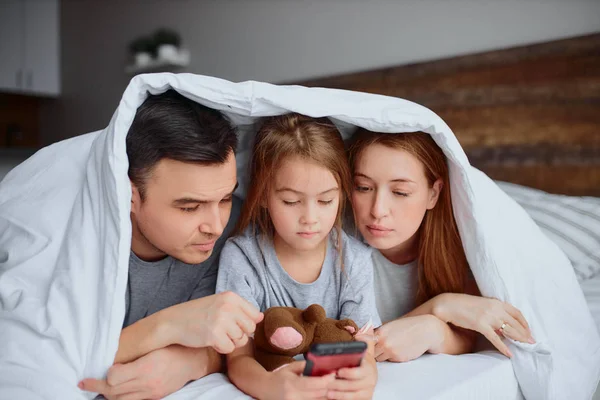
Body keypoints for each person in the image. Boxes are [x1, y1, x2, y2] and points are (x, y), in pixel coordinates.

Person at [79, 90, 263, 400]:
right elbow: (46, 356)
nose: (215, 227)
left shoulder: (237, 230)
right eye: (190, 207)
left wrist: (190, 362)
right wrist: (166, 326)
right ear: (130, 196)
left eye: (225, 198)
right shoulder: (81, 244)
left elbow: (237, 341)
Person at [216, 113, 380, 400]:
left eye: (326, 200)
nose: (310, 218)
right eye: (291, 201)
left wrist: (367, 373)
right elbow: (238, 358)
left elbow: (364, 341)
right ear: (264, 195)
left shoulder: (355, 259)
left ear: (342, 194)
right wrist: (272, 387)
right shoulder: (242, 258)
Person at [348, 129, 535, 363]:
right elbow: (345, 345)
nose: (378, 210)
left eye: (400, 192)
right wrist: (440, 307)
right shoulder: (335, 246)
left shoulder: (464, 247)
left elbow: (467, 337)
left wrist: (435, 331)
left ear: (433, 193)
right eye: (363, 187)